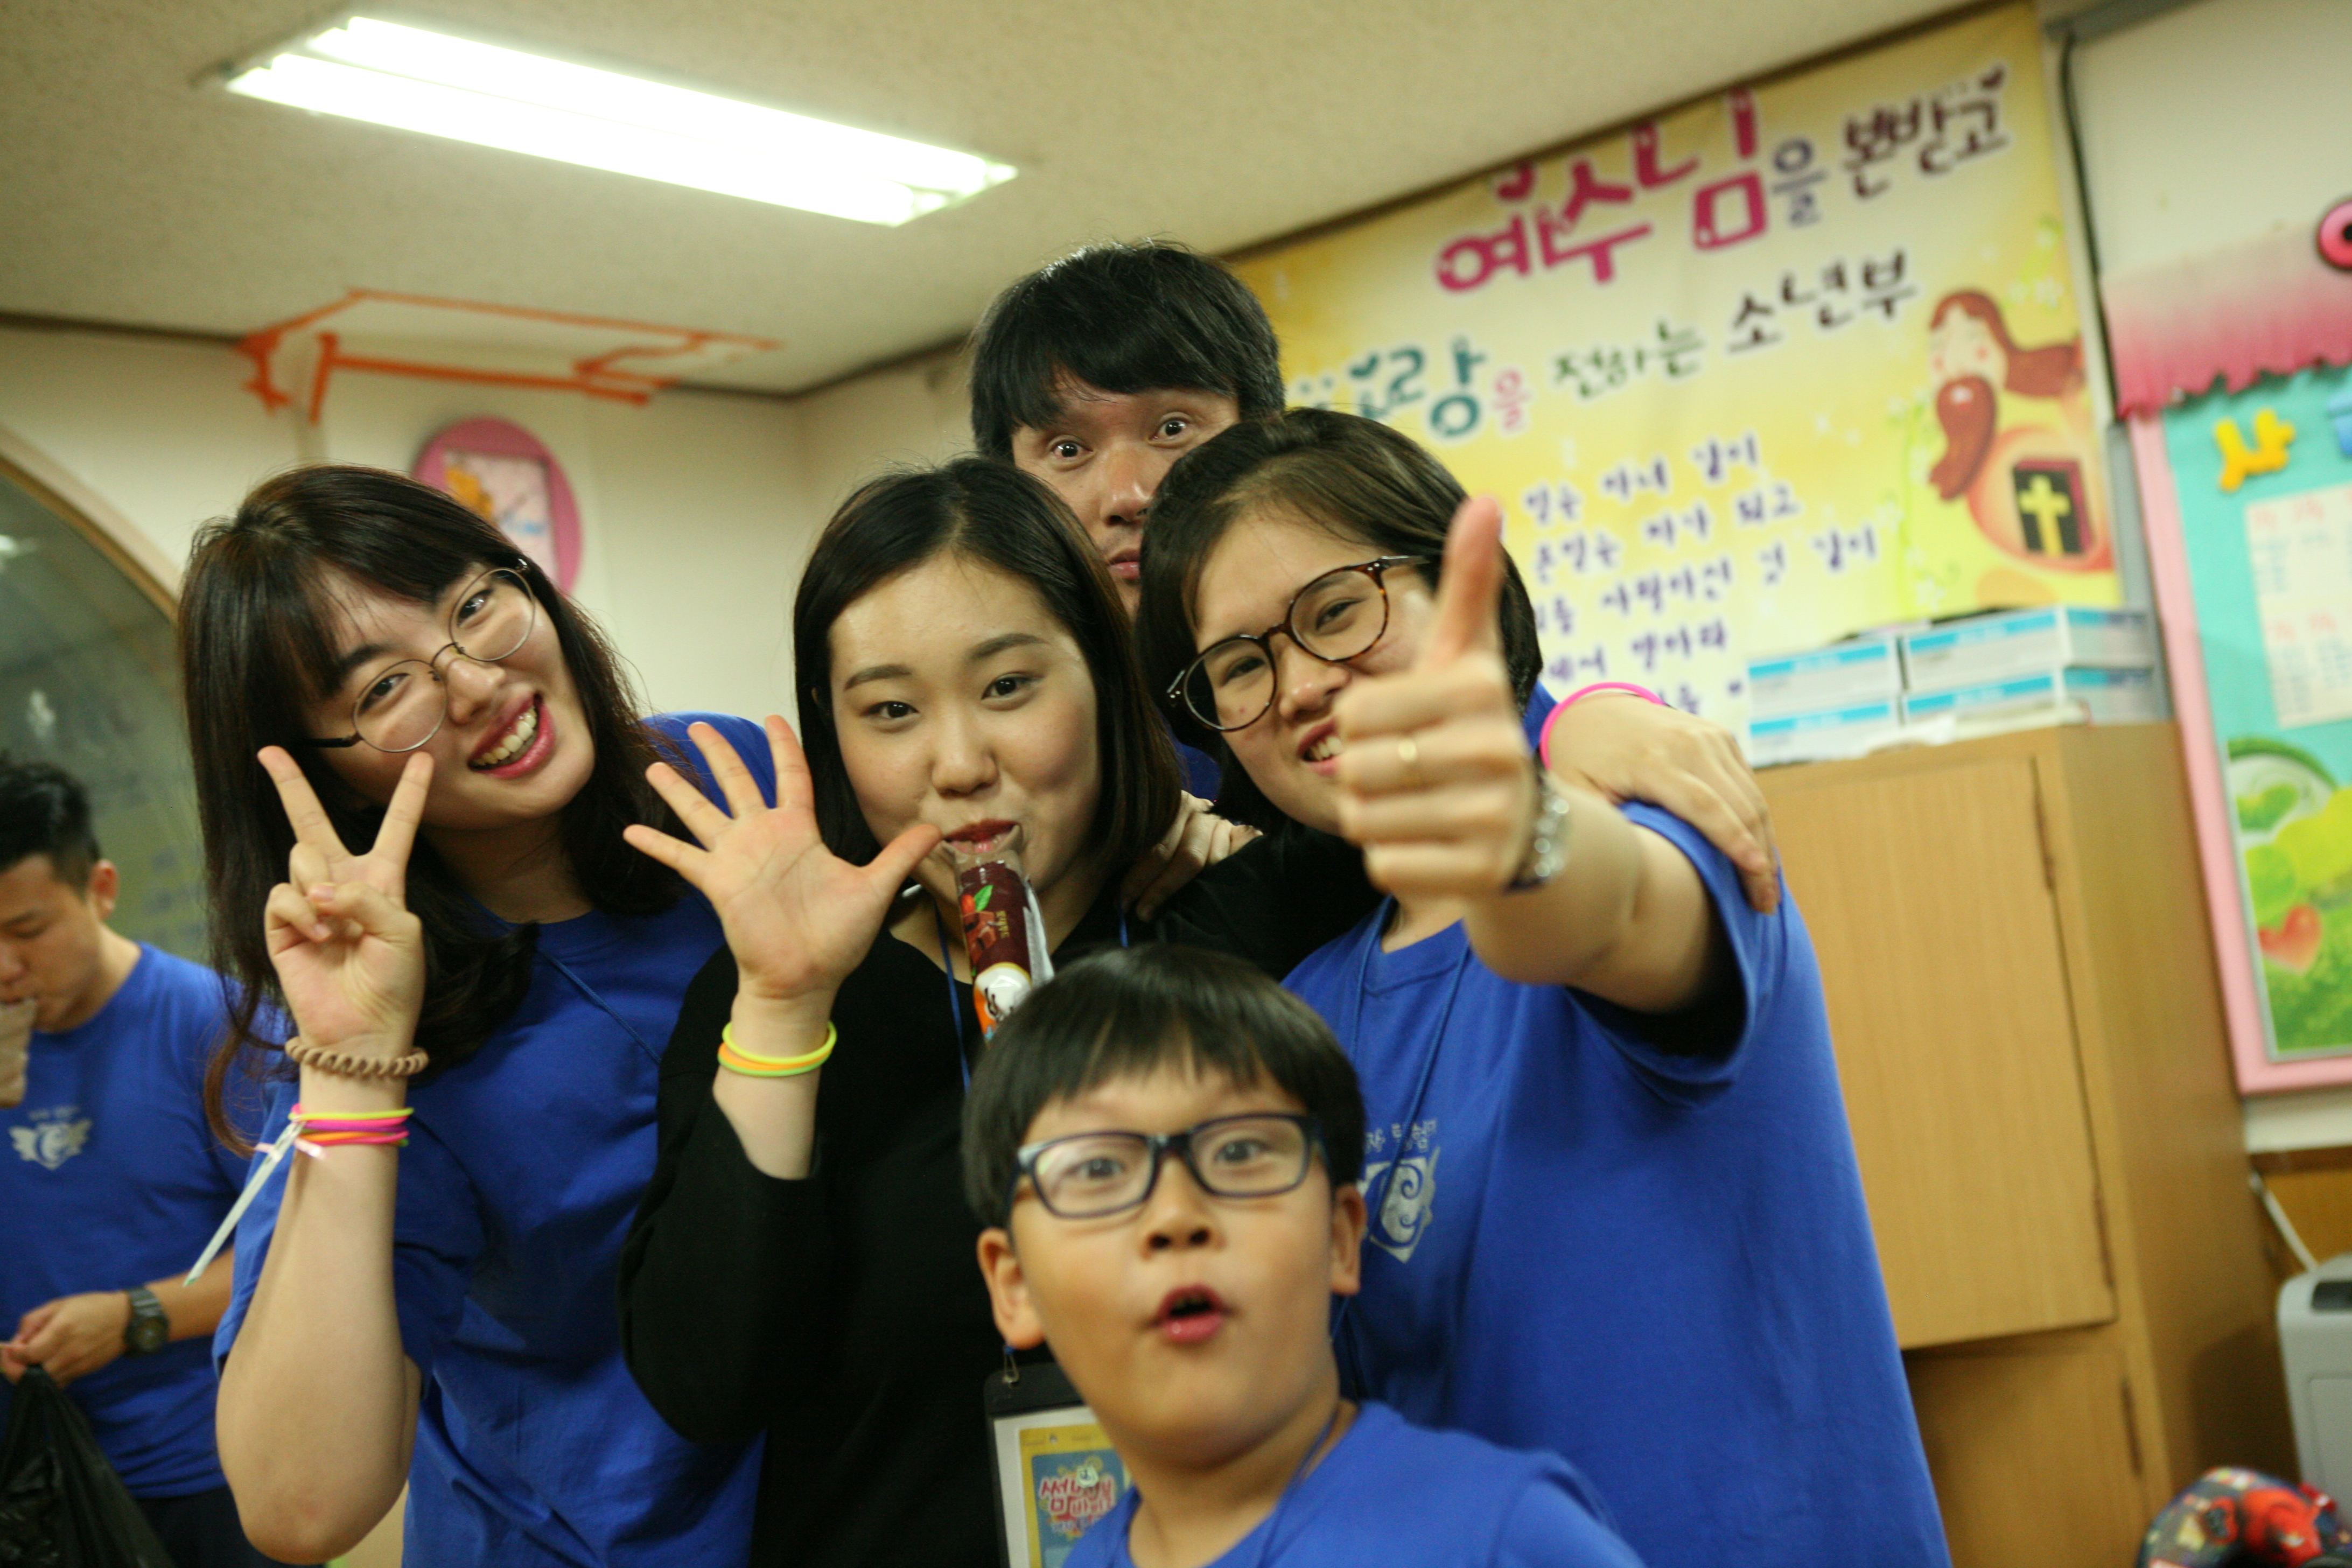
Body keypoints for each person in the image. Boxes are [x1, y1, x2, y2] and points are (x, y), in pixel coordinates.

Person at [1135, 409, 1950, 1568]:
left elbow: (1600, 909)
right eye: (1240, 666)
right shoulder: (1295, 1015)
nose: (1302, 682)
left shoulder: (1664, 836)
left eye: (1337, 609)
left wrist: (1520, 829)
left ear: (1457, 594)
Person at [617, 459, 1381, 1568]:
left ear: (1105, 676)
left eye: (1010, 686)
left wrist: (1597, 728)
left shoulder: (1244, 918)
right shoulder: (788, 994)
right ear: (834, 731)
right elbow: (706, 1384)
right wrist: (784, 1006)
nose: (960, 763)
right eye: (890, 710)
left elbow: (1478, 785)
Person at [178, 466, 765, 1566]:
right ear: (330, 779)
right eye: (383, 687)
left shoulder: (719, 780)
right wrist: (353, 1067)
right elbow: (300, 1505)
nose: (479, 683)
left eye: (474, 604)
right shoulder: (379, 1031)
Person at [969, 239, 1782, 911]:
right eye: (1067, 450)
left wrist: (1596, 717)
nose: (1127, 495)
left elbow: (1509, 751)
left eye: (1173, 427)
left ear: (1262, 434)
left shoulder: (1364, 648)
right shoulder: (1018, 733)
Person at [964, 942, 1649, 1568]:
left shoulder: (1499, 1535)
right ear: (1014, 1284)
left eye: (1239, 1151)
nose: (1175, 1216)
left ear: (1341, 1237)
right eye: (1096, 1169)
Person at [0, 758, 278, 1568]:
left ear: (102, 889)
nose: (4, 965)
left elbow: (306, 1252)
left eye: (27, 930)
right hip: (31, 1473)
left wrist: (134, 1316)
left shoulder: (222, 1029)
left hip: (209, 1468)